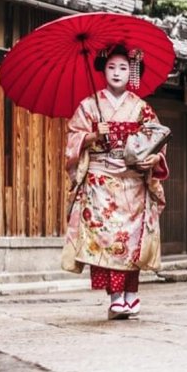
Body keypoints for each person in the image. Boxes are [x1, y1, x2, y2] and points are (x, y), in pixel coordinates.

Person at [64, 44, 168, 320]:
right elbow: (73, 139)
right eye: (111, 67)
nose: (117, 72)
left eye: (123, 67)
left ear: (132, 72)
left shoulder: (142, 108)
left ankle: (131, 293)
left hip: (132, 180)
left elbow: (156, 141)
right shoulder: (89, 106)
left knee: (132, 239)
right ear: (103, 71)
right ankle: (114, 296)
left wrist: (154, 159)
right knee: (106, 239)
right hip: (100, 183)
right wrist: (91, 137)